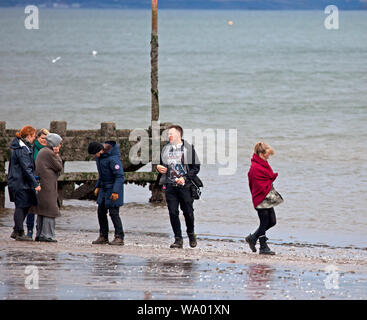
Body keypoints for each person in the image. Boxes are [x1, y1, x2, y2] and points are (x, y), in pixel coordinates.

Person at [157, 125, 202, 249]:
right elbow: (162, 166)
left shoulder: (188, 148)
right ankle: (178, 239)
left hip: (185, 186)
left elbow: (196, 167)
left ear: (178, 135)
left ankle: (191, 234)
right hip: (170, 185)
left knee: (188, 212)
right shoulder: (166, 148)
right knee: (172, 212)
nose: (168, 136)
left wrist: (185, 178)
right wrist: (160, 168)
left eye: (171, 134)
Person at [246, 142, 283, 255]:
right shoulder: (255, 167)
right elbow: (256, 184)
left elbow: (268, 177)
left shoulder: (264, 164)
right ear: (261, 154)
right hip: (260, 197)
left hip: (266, 196)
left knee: (272, 221)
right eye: (267, 154)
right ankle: (263, 247)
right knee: (264, 221)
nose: (268, 156)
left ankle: (253, 238)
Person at [88, 141, 125, 246]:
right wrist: (98, 186)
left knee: (114, 213)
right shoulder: (99, 158)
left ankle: (119, 237)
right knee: (101, 212)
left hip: (113, 189)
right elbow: (101, 174)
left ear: (100, 150)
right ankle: (103, 236)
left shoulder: (113, 159)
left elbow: (120, 176)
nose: (94, 156)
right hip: (104, 189)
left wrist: (115, 191)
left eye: (95, 153)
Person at [8, 125, 41, 241]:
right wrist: (35, 184)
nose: (34, 139)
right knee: (21, 206)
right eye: (33, 136)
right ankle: (20, 232)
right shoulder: (22, 149)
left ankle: (17, 230)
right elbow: (26, 168)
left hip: (19, 181)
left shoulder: (21, 147)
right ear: (28, 136)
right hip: (19, 182)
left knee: (25, 205)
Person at [35, 133, 63, 242]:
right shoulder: (49, 153)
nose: (60, 145)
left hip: (43, 184)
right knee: (50, 210)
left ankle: (40, 233)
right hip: (48, 185)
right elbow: (59, 166)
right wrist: (57, 155)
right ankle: (47, 235)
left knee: (42, 210)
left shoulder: (43, 151)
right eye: (59, 143)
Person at [26, 128, 50, 238]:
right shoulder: (32, 148)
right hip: (33, 180)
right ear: (37, 138)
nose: (44, 140)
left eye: (46, 138)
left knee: (42, 207)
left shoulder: (49, 150)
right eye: (42, 138)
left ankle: (39, 231)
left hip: (45, 181)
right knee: (32, 207)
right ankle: (29, 231)